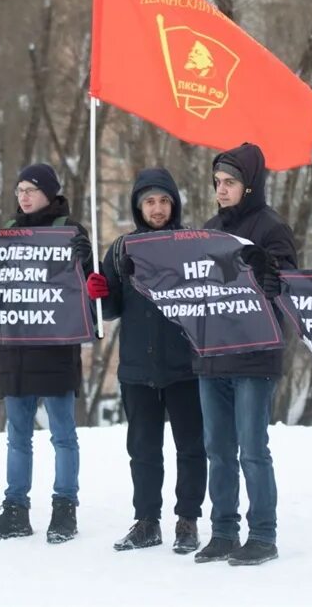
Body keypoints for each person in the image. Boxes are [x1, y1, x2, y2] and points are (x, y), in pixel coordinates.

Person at [0, 163, 93, 544]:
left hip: (55, 348)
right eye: (19, 189)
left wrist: (85, 259)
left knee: (62, 434)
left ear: (49, 193)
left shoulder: (69, 231)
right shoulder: (8, 232)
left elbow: (87, 288)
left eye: (31, 189)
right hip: (15, 348)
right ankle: (15, 509)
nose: (23, 196)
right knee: (17, 434)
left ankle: (64, 509)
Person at [86, 168, 207, 554]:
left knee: (190, 446)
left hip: (185, 365)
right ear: (139, 207)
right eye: (150, 202)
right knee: (142, 449)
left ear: (174, 204)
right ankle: (147, 521)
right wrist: (100, 294)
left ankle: (187, 520)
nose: (157, 208)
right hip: (137, 367)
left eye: (164, 200)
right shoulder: (122, 249)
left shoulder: (191, 245)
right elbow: (111, 311)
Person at [193, 143, 297, 566]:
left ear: (249, 185)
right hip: (212, 353)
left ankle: (263, 534)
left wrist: (270, 273)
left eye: (230, 182)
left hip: (255, 356)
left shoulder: (273, 228)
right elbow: (192, 285)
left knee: (252, 448)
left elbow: (288, 286)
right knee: (217, 448)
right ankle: (222, 531)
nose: (221, 189)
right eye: (217, 182)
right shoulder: (207, 228)